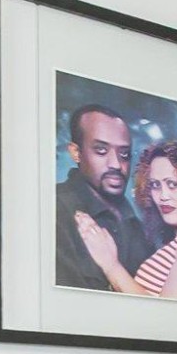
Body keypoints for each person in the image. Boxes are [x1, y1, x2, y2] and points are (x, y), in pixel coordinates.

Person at [76, 139, 177, 302]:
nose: (163, 196)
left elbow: (170, 317)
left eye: (173, 184)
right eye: (155, 185)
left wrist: (111, 265)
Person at [54, 106, 152, 289]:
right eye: (101, 150)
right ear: (76, 153)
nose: (116, 164)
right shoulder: (54, 211)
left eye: (124, 154)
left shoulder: (136, 226)